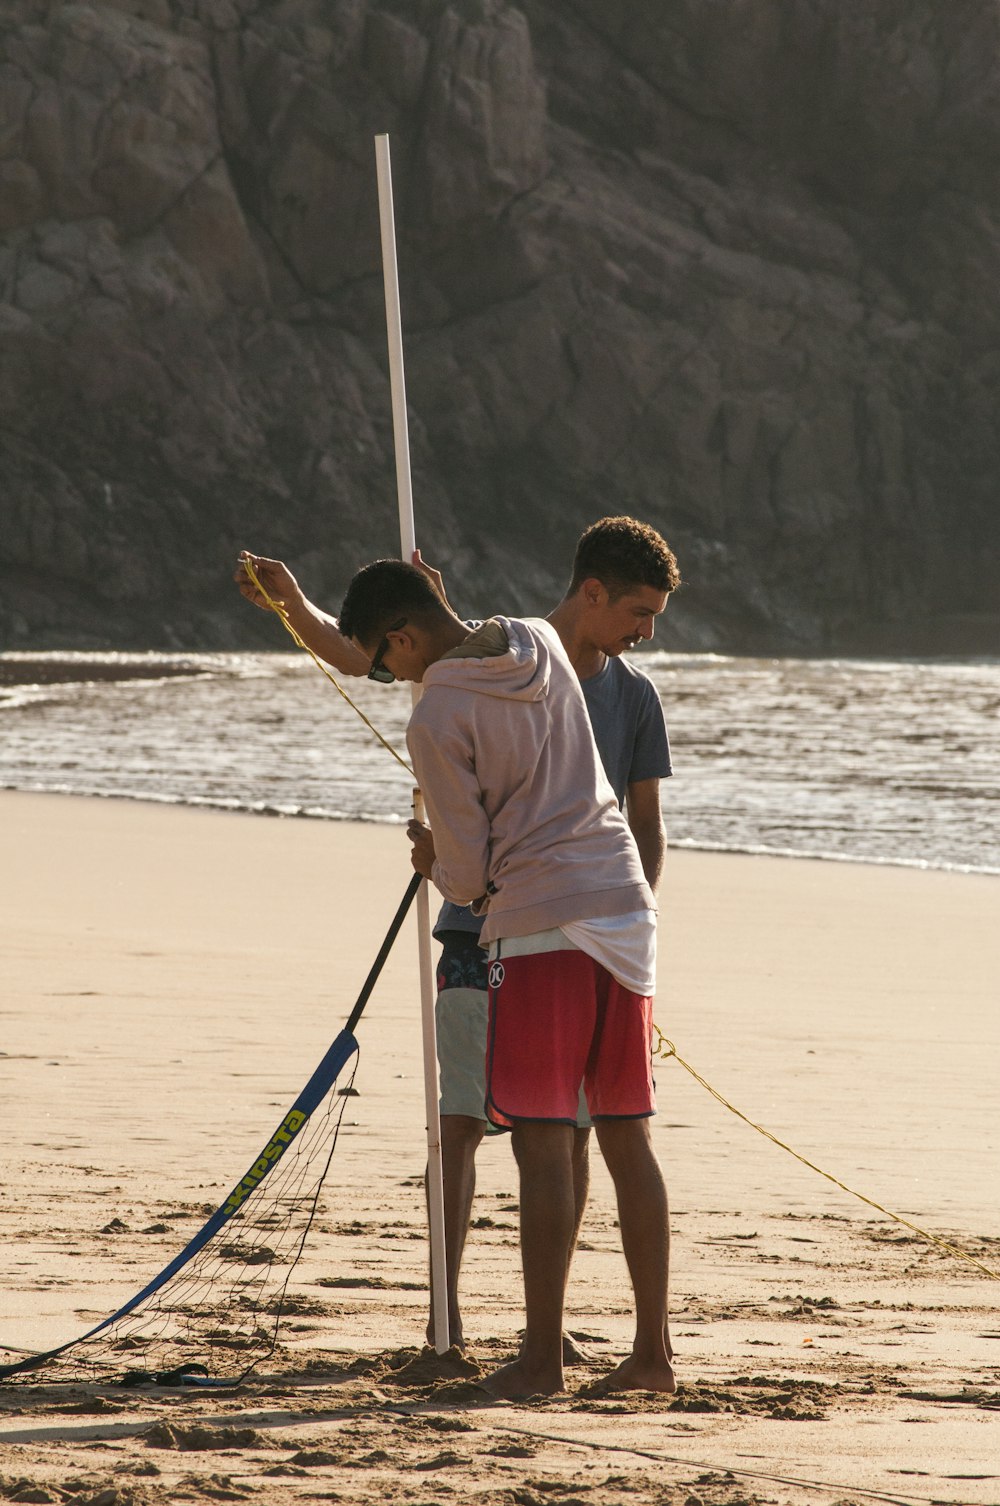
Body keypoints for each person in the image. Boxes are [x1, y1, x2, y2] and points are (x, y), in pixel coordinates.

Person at [233, 520, 680, 1360]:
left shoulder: (438, 712)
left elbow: (472, 877)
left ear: (402, 636)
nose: (388, 676)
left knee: (545, 1140)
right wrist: (297, 603)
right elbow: (421, 643)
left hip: (539, 920)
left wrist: (437, 855)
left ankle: (540, 1363)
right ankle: (648, 1357)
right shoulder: (534, 639)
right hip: (621, 911)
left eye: (388, 660)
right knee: (623, 1133)